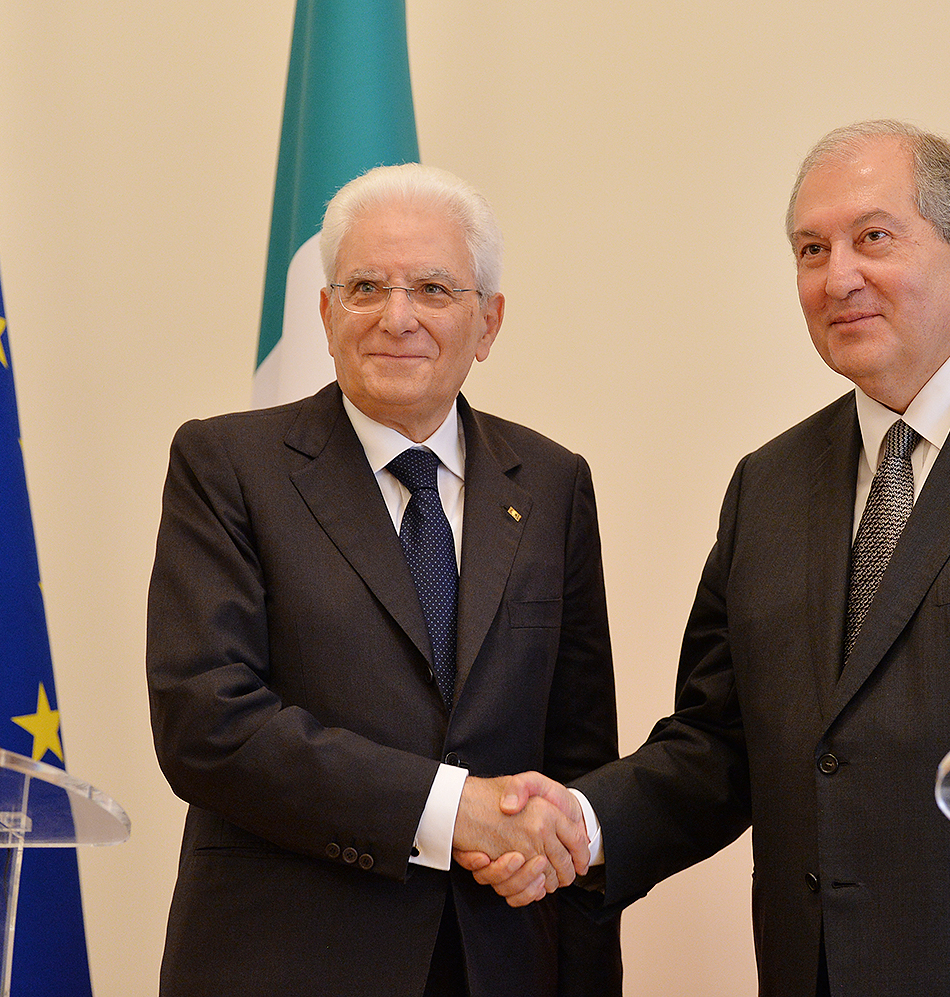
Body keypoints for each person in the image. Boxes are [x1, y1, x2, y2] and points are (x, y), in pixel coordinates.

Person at [463, 121, 950, 996]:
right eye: (811, 249)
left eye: (873, 237)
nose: (837, 276)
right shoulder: (769, 483)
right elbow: (720, 743)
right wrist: (580, 822)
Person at [146, 163, 619, 997]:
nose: (397, 317)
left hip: (500, 963)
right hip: (286, 964)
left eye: (433, 288)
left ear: (487, 321)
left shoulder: (552, 483)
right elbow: (207, 723)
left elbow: (578, 762)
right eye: (366, 287)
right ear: (327, 314)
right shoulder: (227, 466)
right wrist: (449, 809)